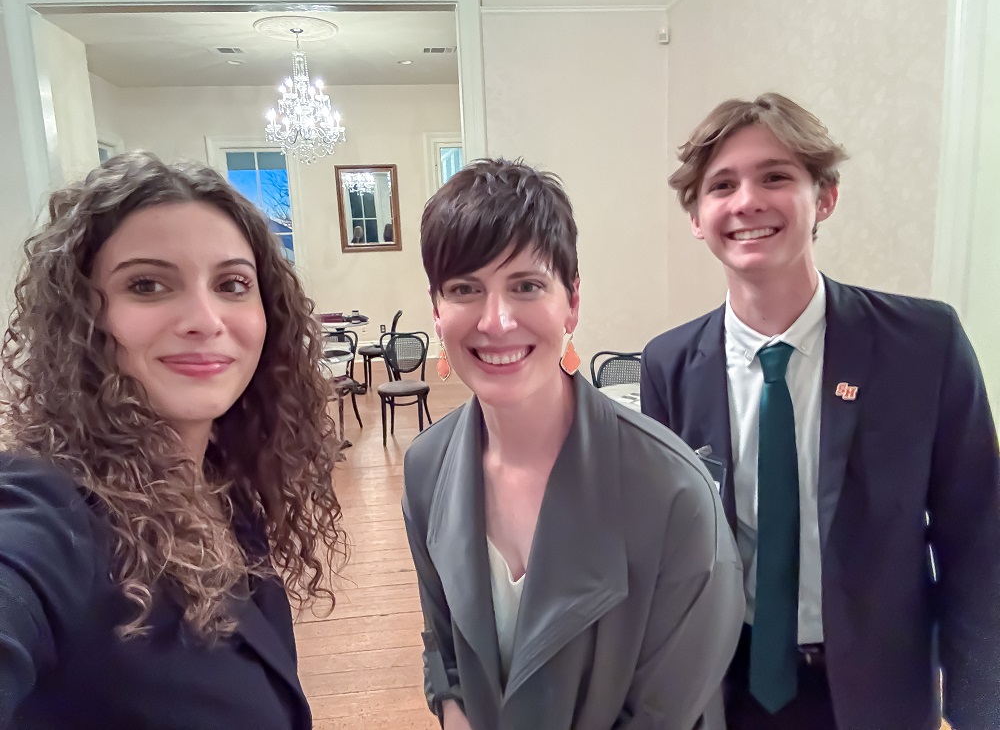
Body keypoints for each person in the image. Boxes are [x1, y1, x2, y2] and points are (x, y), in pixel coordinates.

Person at [640, 92, 1000, 730]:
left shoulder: (924, 345)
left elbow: (978, 542)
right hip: (726, 690)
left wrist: (981, 711)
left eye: (775, 177)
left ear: (824, 197)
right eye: (721, 185)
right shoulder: (668, 365)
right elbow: (669, 557)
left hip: (878, 694)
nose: (747, 201)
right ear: (696, 217)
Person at [0, 151, 347, 729]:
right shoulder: (49, 512)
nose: (205, 319)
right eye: (148, 284)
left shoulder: (223, 494)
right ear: (83, 317)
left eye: (232, 284)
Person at [403, 157, 744, 730]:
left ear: (573, 302)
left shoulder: (673, 493)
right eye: (465, 289)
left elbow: (666, 713)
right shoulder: (425, 468)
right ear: (437, 311)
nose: (496, 321)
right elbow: (445, 652)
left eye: (526, 286)